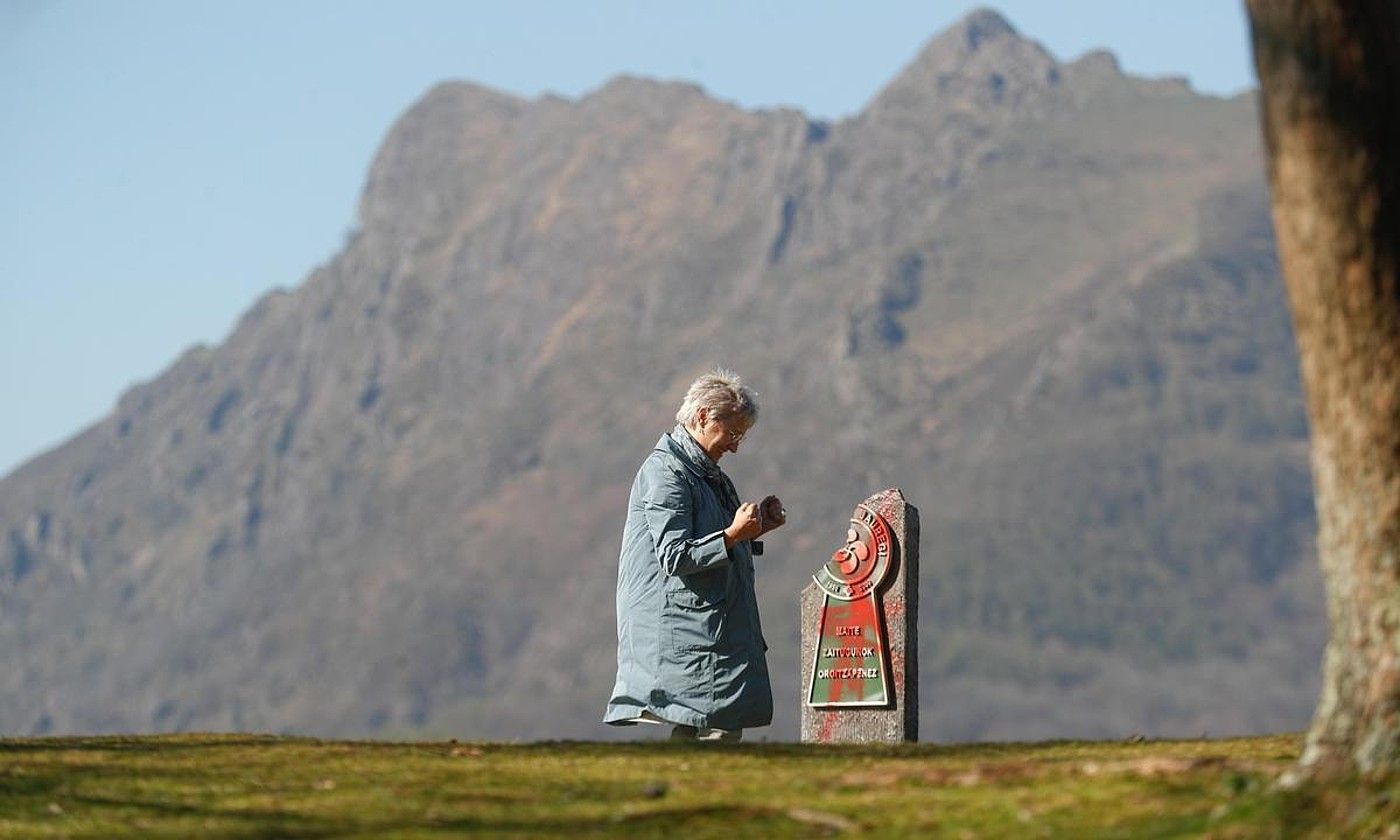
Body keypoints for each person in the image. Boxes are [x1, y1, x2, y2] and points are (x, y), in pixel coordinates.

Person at [603, 369, 785, 741]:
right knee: (711, 728)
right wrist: (734, 533)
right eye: (732, 433)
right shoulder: (666, 473)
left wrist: (755, 530)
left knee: (710, 726)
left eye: (742, 437)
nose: (735, 446)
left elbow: (718, 541)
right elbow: (675, 556)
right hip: (685, 632)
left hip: (708, 627)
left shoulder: (706, 474)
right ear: (702, 417)